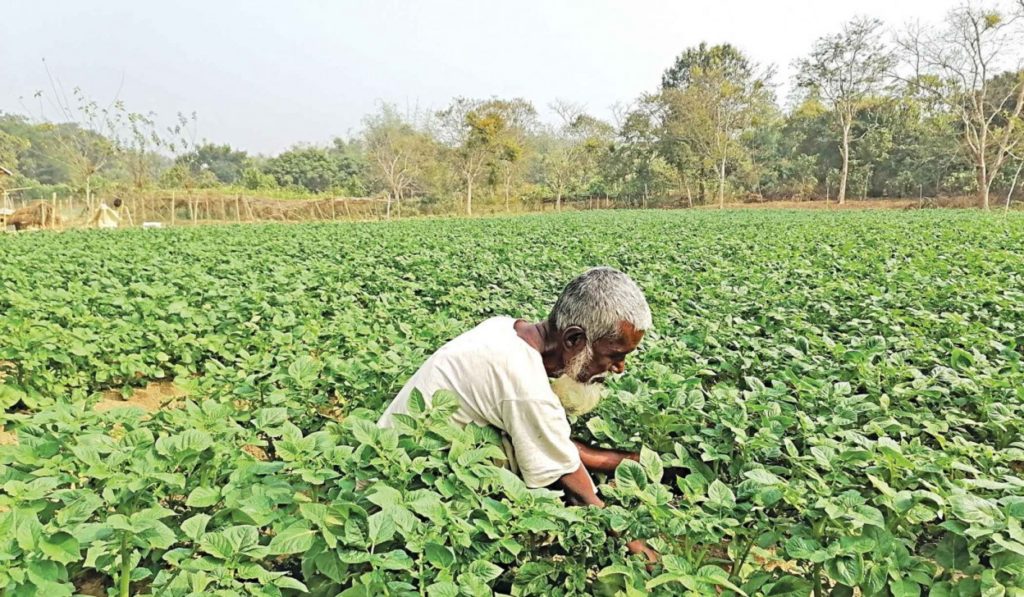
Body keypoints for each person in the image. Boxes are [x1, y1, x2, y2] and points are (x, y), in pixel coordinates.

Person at [378, 266, 658, 563]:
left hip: (391, 460)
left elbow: (548, 436)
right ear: (574, 340)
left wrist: (629, 463)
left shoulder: (504, 328)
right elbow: (580, 494)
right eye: (615, 355)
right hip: (396, 497)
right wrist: (642, 553)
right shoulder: (525, 387)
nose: (619, 368)